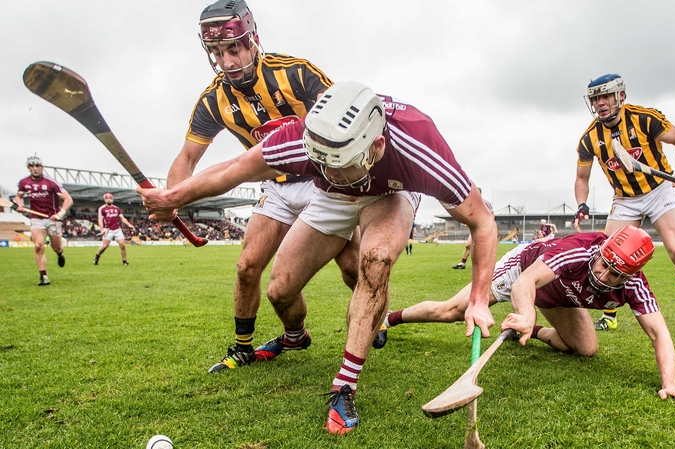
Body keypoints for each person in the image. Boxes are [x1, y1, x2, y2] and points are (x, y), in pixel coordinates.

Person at [139, 82, 498, 434]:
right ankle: (295, 336)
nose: (331, 173)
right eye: (323, 163)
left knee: (375, 260)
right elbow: (234, 169)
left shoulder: (419, 146)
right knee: (280, 291)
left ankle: (345, 385)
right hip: (331, 199)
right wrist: (174, 197)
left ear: (377, 145)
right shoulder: (302, 139)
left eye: (341, 165)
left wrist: (479, 299)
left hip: (392, 192)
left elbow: (482, 222)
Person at [168, 0, 361, 374]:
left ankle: (376, 317)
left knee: (353, 266)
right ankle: (260, 342)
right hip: (276, 187)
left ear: (253, 39)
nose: (227, 60)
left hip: (322, 182)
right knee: (246, 267)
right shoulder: (213, 100)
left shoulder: (297, 73)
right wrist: (170, 195)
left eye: (234, 48)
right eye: (218, 52)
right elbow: (187, 158)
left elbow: (340, 122)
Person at [382, 226, 675, 403]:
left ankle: (531, 331)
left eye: (614, 274)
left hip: (561, 296)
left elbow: (659, 333)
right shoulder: (581, 249)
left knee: (586, 349)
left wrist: (669, 384)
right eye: (603, 263)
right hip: (526, 271)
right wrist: (525, 311)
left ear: (630, 276)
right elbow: (527, 281)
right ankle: (389, 318)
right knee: (452, 311)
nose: (602, 275)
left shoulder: (635, 286)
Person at [572, 73, 675, 341]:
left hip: (660, 189)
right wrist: (581, 204)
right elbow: (581, 178)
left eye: (605, 96)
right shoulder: (589, 139)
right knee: (605, 256)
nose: (600, 103)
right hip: (624, 198)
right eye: (595, 98)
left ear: (620, 95)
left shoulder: (644, 118)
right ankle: (609, 317)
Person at [15, 156, 73, 286]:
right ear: (29, 168)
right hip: (36, 219)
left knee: (57, 247)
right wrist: (19, 205)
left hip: (53, 218)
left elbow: (68, 199)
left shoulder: (51, 183)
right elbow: (18, 196)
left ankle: (60, 254)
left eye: (37, 166)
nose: (35, 169)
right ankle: (43, 276)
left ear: (42, 167)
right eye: (32, 166)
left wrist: (60, 214)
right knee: (38, 245)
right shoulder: (24, 182)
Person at [453, 190, 493, 269]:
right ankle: (463, 263)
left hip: (484, 228)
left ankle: (484, 265)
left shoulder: (486, 203)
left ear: (480, 193)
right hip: (474, 228)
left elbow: (492, 215)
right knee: (468, 245)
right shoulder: (471, 203)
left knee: (482, 248)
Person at [94, 193, 135, 266]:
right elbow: (100, 219)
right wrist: (102, 229)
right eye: (107, 198)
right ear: (104, 199)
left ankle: (124, 261)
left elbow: (122, 218)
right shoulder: (102, 209)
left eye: (110, 198)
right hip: (108, 230)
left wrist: (129, 225)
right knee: (105, 246)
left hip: (117, 229)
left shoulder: (116, 208)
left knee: (122, 244)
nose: (109, 199)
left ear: (112, 199)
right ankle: (97, 256)